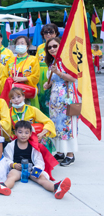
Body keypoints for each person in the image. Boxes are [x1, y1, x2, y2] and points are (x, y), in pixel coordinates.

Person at [0, 121, 72, 199]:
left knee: (42, 178)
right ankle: (3, 186)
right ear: (15, 132)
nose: (23, 135)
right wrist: (13, 165)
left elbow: (39, 160)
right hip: (18, 170)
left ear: (31, 133)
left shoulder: (33, 146)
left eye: (26, 133)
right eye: (20, 132)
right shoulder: (11, 145)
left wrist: (37, 169)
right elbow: (6, 159)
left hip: (32, 170)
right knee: (11, 175)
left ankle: (56, 188)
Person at [43, 37, 78, 166]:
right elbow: (53, 81)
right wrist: (48, 84)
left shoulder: (68, 61)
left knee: (67, 125)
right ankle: (60, 151)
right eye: (49, 47)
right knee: (56, 125)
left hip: (67, 99)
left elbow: (74, 78)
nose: (52, 49)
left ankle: (70, 153)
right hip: (55, 99)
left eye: (54, 46)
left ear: (61, 46)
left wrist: (59, 72)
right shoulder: (52, 62)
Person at [9, 87, 56, 152]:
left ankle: (42, 161)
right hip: (17, 138)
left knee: (45, 140)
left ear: (24, 97)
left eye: (18, 96)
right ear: (10, 100)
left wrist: (41, 134)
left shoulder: (32, 109)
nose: (16, 100)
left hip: (30, 137)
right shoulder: (9, 112)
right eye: (13, 98)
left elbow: (48, 122)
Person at [5, 36, 40, 108]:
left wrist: (23, 79)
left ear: (27, 46)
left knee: (29, 114)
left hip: (28, 90)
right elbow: (4, 76)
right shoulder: (10, 61)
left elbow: (36, 76)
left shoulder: (33, 59)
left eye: (22, 43)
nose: (20, 45)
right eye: (18, 43)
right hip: (13, 92)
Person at [36, 24, 59, 115]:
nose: (48, 34)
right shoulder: (40, 47)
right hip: (40, 75)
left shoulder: (59, 46)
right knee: (42, 96)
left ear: (56, 33)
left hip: (52, 73)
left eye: (51, 32)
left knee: (51, 96)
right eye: (46, 32)